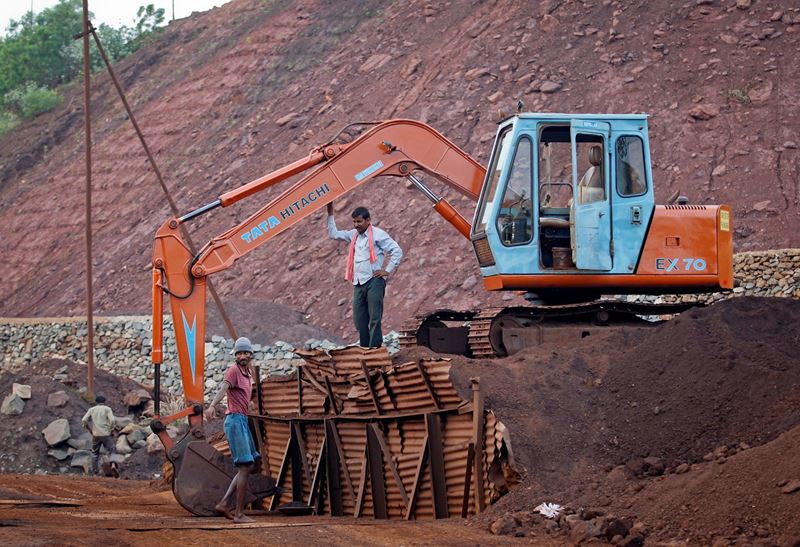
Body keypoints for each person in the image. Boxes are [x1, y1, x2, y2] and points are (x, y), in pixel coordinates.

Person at [326, 202, 403, 348]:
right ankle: (365, 346)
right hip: (358, 282)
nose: (356, 225)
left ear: (368, 221)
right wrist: (330, 214)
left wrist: (388, 270)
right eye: (354, 221)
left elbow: (396, 251)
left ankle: (374, 348)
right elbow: (333, 234)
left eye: (359, 221)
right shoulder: (353, 235)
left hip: (374, 280)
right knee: (359, 319)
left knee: (374, 317)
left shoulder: (378, 234)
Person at [204, 336, 260, 523]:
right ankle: (238, 514)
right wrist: (212, 405)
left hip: (242, 420)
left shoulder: (247, 374)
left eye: (245, 352)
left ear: (251, 354)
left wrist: (250, 404)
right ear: (235, 356)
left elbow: (243, 394)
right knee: (244, 466)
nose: (242, 356)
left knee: (249, 465)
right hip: (234, 420)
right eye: (239, 353)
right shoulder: (234, 370)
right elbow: (224, 388)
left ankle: (224, 503)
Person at [81, 395, 116, 475]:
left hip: (95, 435)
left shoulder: (92, 409)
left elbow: (84, 420)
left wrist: (88, 429)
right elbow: (113, 420)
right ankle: (113, 464)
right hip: (105, 434)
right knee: (112, 449)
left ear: (96, 402)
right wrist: (111, 429)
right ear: (104, 402)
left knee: (95, 453)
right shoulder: (107, 409)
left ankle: (95, 472)